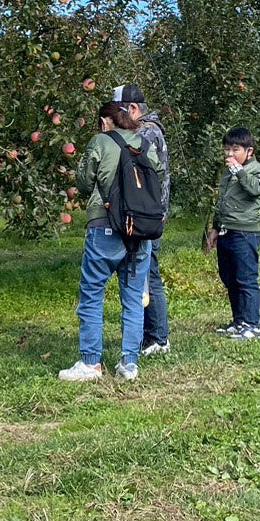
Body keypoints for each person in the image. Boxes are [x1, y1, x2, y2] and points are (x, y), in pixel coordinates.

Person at [58, 101, 161, 383]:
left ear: (105, 121)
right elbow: (158, 177)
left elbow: (83, 180)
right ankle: (129, 363)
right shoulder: (144, 143)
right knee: (132, 297)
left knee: (92, 294)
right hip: (140, 230)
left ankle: (91, 363)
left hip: (105, 225)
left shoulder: (100, 142)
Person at [114, 86, 171, 355]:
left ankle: (158, 337)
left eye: (118, 113)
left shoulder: (146, 133)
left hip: (148, 216)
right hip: (146, 214)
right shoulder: (145, 130)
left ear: (132, 110)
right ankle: (149, 334)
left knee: (149, 274)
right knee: (143, 273)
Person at [204, 126, 260, 340]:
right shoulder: (227, 173)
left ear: (249, 151)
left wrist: (239, 172)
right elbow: (221, 202)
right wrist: (215, 228)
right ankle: (239, 321)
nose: (230, 155)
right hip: (226, 231)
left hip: (244, 232)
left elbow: (256, 189)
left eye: (235, 150)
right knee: (229, 278)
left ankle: (253, 324)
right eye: (227, 150)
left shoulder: (257, 170)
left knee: (246, 278)